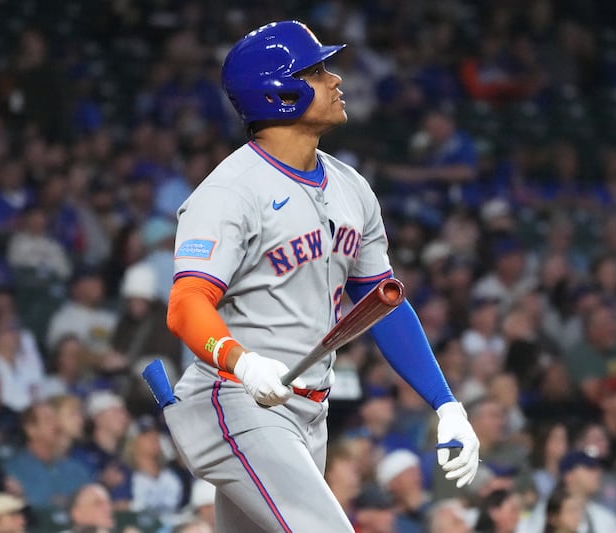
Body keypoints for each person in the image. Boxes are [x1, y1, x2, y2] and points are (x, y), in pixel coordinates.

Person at [161, 20, 480, 532]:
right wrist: (240, 362)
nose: (335, 80)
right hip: (235, 400)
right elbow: (185, 304)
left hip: (310, 410)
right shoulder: (230, 192)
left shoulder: (352, 187)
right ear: (279, 93)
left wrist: (446, 404)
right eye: (316, 71)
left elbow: (382, 303)